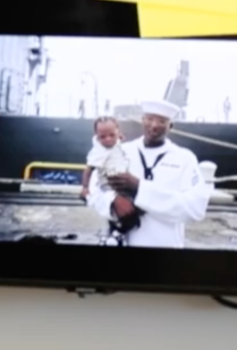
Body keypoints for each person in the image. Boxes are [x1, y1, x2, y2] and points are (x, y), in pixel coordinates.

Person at [85, 99, 212, 249]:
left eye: (162, 121)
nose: (154, 125)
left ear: (170, 126)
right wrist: (113, 202)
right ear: (142, 120)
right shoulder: (122, 151)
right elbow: (94, 189)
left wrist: (139, 189)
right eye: (150, 119)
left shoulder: (185, 158)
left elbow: (196, 208)